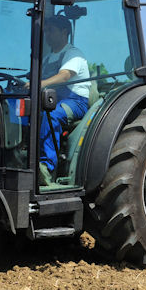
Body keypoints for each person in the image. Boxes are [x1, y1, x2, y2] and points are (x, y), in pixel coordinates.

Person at [38, 15, 90, 185]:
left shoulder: (73, 54)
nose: (47, 35)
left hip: (76, 102)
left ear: (64, 32)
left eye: (50, 30)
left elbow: (64, 76)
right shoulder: (48, 58)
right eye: (46, 31)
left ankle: (47, 166)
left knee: (50, 114)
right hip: (54, 99)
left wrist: (39, 84)